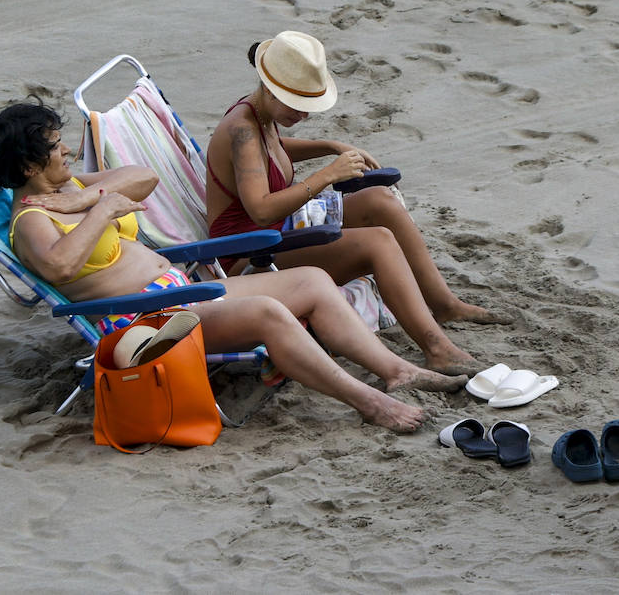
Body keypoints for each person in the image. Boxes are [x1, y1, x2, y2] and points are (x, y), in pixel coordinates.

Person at [0, 100, 468, 434]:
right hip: (143, 322)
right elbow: (60, 270)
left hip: (175, 294)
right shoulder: (33, 222)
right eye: (55, 146)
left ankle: (396, 370)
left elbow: (143, 177)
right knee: (268, 313)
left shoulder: (68, 191)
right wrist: (102, 212)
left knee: (313, 281)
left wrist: (87, 196)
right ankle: (371, 402)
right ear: (27, 168)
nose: (66, 150)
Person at [205, 30, 511, 377]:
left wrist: (328, 144)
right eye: (299, 104)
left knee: (378, 200)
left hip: (276, 233)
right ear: (271, 89)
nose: (304, 115)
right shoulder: (242, 131)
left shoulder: (259, 113)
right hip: (247, 255)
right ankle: (437, 350)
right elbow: (261, 210)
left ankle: (443, 304)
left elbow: (272, 152)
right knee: (377, 241)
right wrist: (326, 175)